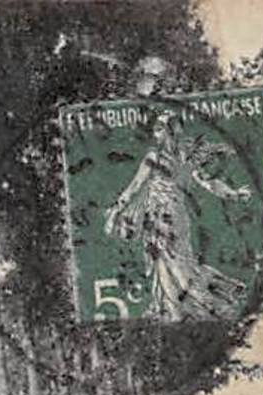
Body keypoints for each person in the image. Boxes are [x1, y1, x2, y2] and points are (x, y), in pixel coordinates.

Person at [102, 110, 253, 322]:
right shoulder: (185, 157)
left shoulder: (155, 157)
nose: (156, 133)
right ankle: (175, 306)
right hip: (173, 216)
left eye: (160, 128)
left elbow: (135, 186)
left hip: (161, 218)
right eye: (156, 129)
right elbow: (208, 182)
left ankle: (208, 301)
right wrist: (233, 194)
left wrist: (116, 211)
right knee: (178, 263)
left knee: (174, 265)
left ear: (170, 131)